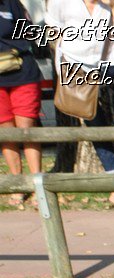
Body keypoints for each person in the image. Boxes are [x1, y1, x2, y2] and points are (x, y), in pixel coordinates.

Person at [46, 0, 114, 205]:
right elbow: (54, 32)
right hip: (77, 67)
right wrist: (64, 67)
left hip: (108, 62)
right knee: (94, 122)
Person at [0, 0, 44, 207]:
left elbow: (30, 33)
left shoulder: (11, 4)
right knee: (6, 131)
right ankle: (17, 184)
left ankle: (38, 184)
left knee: (27, 130)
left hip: (22, 73)